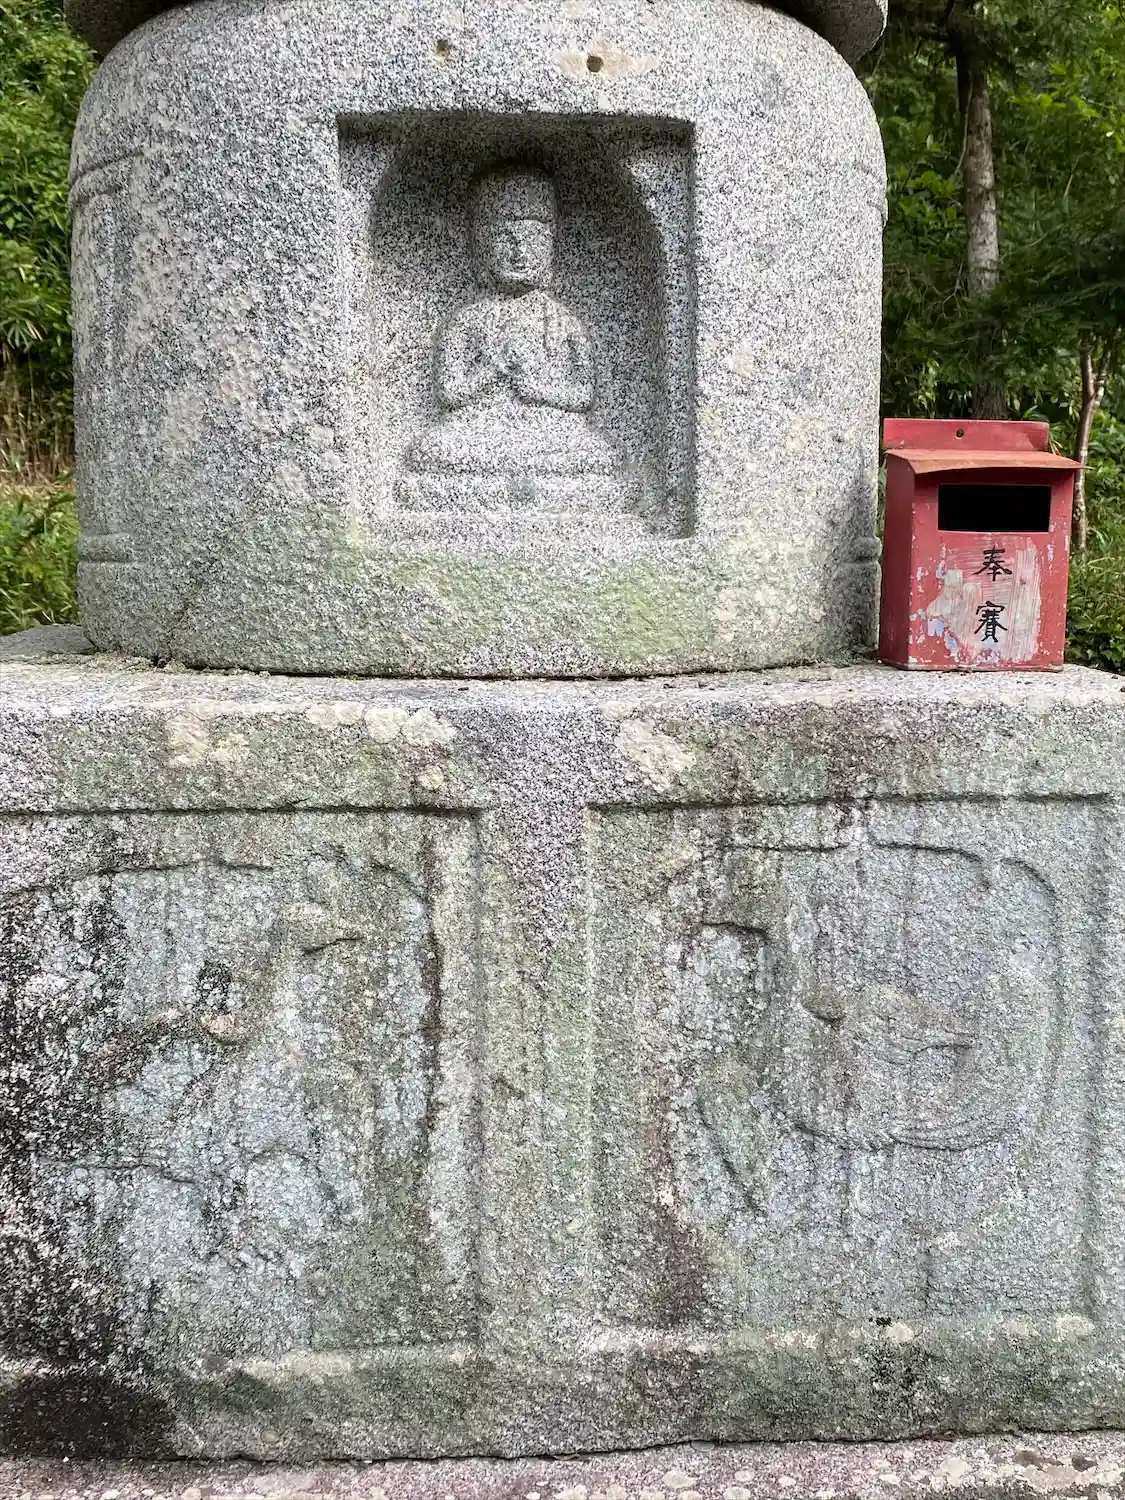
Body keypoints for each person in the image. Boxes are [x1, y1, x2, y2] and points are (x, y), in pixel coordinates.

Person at [400, 164, 629, 512]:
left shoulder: (562, 320)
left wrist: (538, 390)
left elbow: (583, 394)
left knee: (598, 454)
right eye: (506, 239)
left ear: (550, 247)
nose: (519, 252)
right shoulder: (466, 320)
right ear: (482, 247)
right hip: (477, 429)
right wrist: (491, 370)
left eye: (533, 240)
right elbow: (449, 394)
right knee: (432, 449)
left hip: (552, 429)